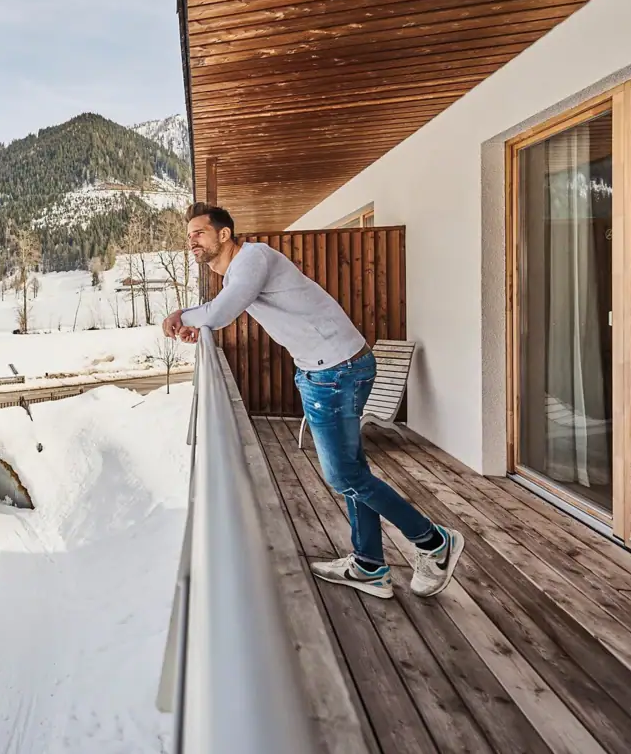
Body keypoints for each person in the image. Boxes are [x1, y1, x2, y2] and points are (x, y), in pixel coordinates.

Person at [163, 202, 464, 599]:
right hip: (327, 369)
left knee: (344, 476)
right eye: (189, 236)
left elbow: (221, 312)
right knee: (354, 471)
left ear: (224, 234)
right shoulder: (240, 270)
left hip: (335, 372)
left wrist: (184, 316)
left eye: (199, 233)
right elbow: (219, 310)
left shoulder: (253, 258)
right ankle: (370, 565)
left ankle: (433, 542)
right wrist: (195, 318)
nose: (192, 242)